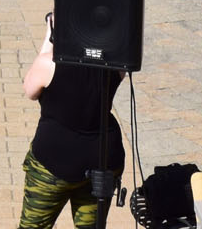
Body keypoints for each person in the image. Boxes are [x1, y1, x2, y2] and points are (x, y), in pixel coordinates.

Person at [18, 12, 124, 229]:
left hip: (53, 163)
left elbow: (30, 90)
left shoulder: (49, 64)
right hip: (102, 159)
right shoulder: (115, 64)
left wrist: (50, 33)